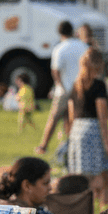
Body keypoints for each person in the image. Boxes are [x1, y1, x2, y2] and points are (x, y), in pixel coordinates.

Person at [68, 47, 108, 206]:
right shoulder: (99, 85)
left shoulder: (75, 85)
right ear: (99, 64)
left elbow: (71, 116)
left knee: (82, 179)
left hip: (76, 132)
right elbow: (102, 118)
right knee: (103, 178)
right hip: (93, 131)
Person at [36, 20, 88, 154]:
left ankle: (43, 146)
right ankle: (72, 145)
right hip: (80, 89)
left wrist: (60, 86)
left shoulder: (60, 48)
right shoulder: (83, 46)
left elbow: (55, 71)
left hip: (63, 90)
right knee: (74, 120)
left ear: (60, 33)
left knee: (54, 118)